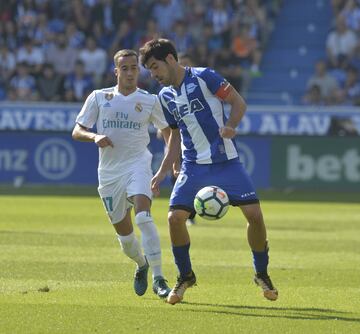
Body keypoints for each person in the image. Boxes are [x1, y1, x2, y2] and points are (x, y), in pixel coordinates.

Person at [139, 38, 278, 305]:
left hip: (227, 161)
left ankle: (261, 272)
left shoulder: (205, 77)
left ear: (170, 59)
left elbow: (239, 103)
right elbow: (174, 138)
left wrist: (232, 126)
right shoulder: (164, 96)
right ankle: (185, 275)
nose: (154, 75)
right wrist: (162, 171)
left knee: (255, 215)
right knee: (174, 218)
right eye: (150, 71)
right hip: (193, 165)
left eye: (155, 67)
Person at [72, 49, 171, 298]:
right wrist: (95, 136)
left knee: (143, 218)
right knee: (126, 241)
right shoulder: (99, 97)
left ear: (139, 70)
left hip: (138, 164)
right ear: (116, 71)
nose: (129, 72)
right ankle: (142, 264)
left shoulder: (149, 100)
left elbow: (169, 132)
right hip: (109, 173)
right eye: (124, 68)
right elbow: (77, 130)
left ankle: (159, 278)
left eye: (134, 68)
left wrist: (170, 163)